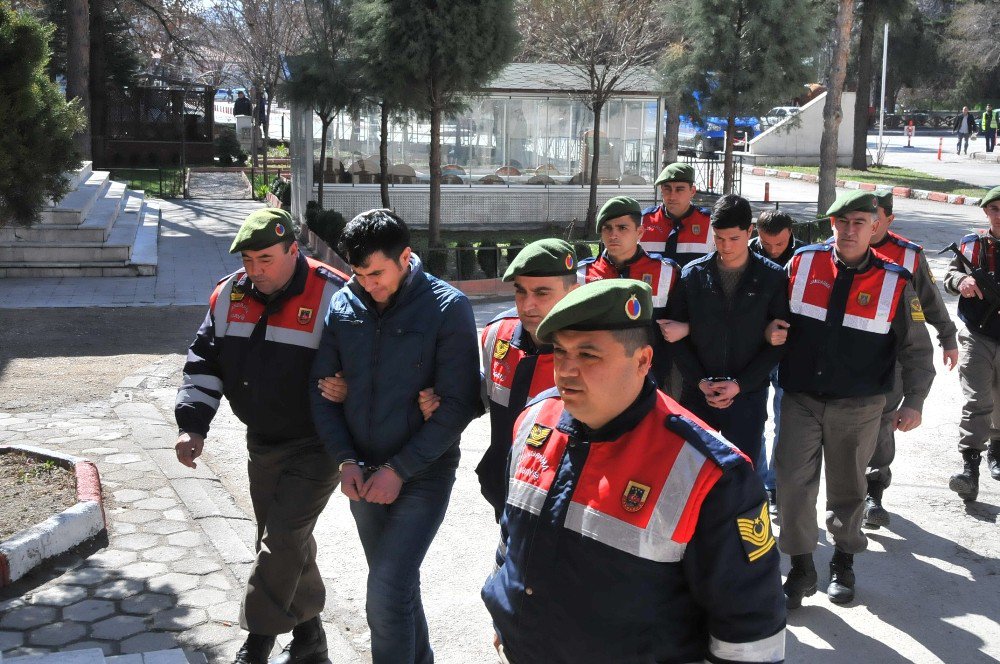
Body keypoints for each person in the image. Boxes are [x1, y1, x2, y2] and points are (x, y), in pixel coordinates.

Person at [481, 279, 787, 664]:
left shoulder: (710, 473)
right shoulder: (534, 420)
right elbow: (514, 536)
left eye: (589, 355)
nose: (567, 371)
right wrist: (504, 612)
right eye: (560, 352)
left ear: (643, 360)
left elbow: (750, 632)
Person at [174, 208, 348, 664]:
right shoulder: (228, 294)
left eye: (266, 258)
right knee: (283, 542)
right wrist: (192, 425)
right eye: (249, 259)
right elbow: (203, 363)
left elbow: (368, 361)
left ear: (294, 250)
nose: (256, 270)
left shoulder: (334, 294)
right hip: (262, 439)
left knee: (282, 539)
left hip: (319, 442)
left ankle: (257, 644)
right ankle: (311, 639)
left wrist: (350, 387)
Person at [309, 209, 481, 664]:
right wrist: (345, 460)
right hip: (363, 475)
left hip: (422, 473)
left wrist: (399, 470)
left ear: (406, 257)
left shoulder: (447, 307)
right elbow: (323, 390)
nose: (368, 284)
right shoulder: (344, 304)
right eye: (359, 274)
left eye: (378, 273)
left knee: (384, 593)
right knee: (395, 588)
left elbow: (459, 405)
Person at [775, 191, 934, 609]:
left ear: (875, 226)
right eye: (841, 222)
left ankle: (843, 562)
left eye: (859, 222)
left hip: (859, 405)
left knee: (848, 490)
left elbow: (917, 348)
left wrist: (914, 401)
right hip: (801, 397)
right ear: (831, 225)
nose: (849, 230)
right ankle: (802, 565)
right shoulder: (802, 263)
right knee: (792, 483)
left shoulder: (897, 280)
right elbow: (773, 316)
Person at [666, 194, 789, 468]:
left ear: (749, 231)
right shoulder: (693, 275)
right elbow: (675, 337)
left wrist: (740, 385)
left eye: (734, 238)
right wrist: (700, 382)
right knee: (692, 473)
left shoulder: (772, 277)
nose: (726, 246)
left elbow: (779, 342)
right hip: (698, 395)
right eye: (719, 238)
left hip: (747, 398)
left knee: (743, 477)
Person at [862, 191, 958, 527]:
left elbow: (931, 301)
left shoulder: (908, 255)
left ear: (889, 219)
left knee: (883, 420)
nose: (868, 224)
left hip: (894, 355)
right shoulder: (841, 248)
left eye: (875, 217)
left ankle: (874, 490)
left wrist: (948, 338)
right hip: (848, 354)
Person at [477, 239, 579, 520]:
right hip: (505, 493)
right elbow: (483, 394)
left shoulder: (592, 354)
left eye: (542, 293)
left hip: (562, 505)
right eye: (520, 291)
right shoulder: (497, 334)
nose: (527, 304)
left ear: (574, 292)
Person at [578, 196, 683, 386]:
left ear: (640, 232)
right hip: (595, 376)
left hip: (651, 376)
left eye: (622, 228)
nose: (613, 235)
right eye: (607, 228)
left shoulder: (666, 271)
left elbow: (679, 326)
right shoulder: (581, 274)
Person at [943, 185, 1000, 502]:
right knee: (977, 401)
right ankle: (970, 469)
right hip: (976, 335)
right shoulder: (973, 245)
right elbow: (950, 276)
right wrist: (961, 280)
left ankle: (997, 449)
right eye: (994, 209)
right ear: (986, 212)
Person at [749, 209, 803, 507]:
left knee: (786, 420)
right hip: (754, 349)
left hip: (791, 351)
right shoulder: (745, 254)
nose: (772, 251)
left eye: (779, 244)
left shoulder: (806, 257)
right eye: (766, 243)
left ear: (790, 233)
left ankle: (775, 486)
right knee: (755, 417)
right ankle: (757, 482)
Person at [640, 162, 715, 267]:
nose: (672, 196)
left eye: (679, 189)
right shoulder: (643, 221)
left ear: (692, 191)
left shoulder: (709, 224)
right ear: (661, 189)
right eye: (667, 189)